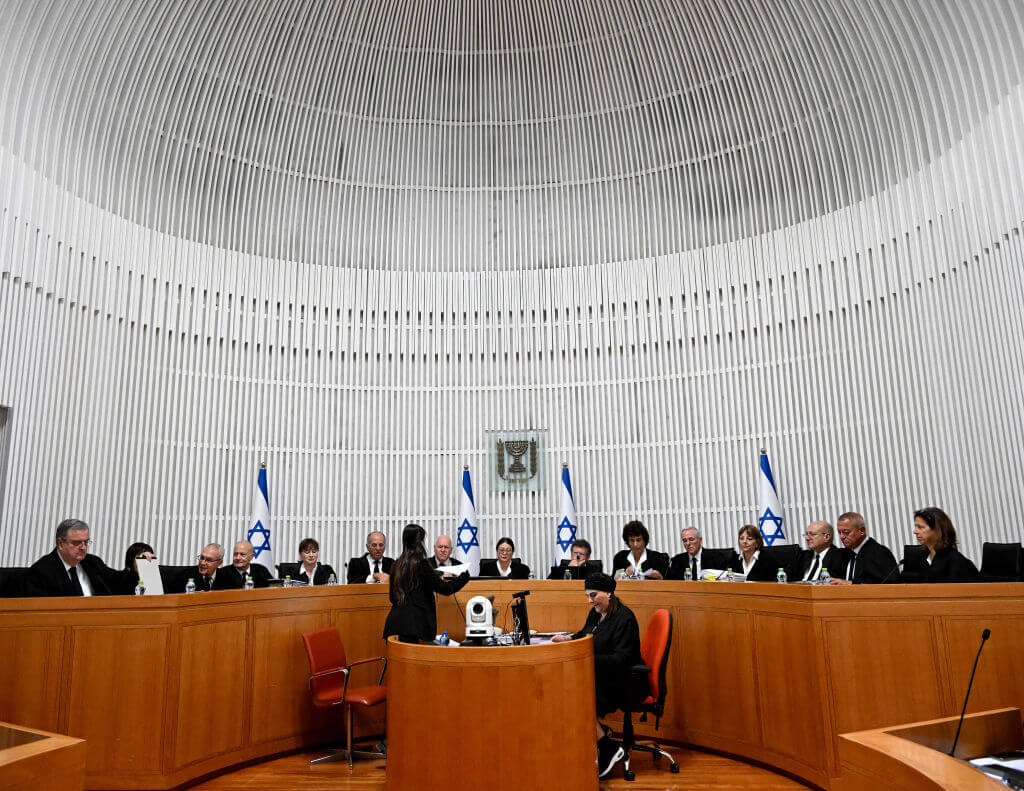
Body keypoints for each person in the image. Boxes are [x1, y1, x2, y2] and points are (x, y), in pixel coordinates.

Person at [552, 572, 647, 778]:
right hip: (601, 676)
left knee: (573, 693)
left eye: (593, 595)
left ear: (609, 593)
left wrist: (586, 657)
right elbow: (586, 635)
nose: (589, 600)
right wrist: (569, 639)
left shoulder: (625, 618)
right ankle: (601, 732)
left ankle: (608, 746)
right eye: (587, 595)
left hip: (624, 682)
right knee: (565, 686)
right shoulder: (596, 613)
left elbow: (622, 660)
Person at [383, 524, 471, 643]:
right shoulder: (421, 565)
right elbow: (445, 589)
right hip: (414, 625)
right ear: (420, 542)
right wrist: (465, 576)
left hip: (395, 623)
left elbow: (392, 598)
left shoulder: (396, 564)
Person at [27, 519, 129, 597]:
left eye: (86, 542)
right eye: (77, 543)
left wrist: (135, 563)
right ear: (60, 543)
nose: (83, 547)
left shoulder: (93, 563)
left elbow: (119, 581)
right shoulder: (42, 571)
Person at [903, 507, 981, 583]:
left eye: (920, 527)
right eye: (915, 526)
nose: (915, 531)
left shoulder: (955, 561)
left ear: (937, 530)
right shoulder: (921, 559)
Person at [829, 512, 900, 584]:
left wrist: (851, 584)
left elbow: (888, 583)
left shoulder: (879, 553)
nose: (842, 536)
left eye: (846, 532)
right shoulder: (842, 555)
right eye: (839, 532)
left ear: (862, 531)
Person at [667, 527, 735, 580]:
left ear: (700, 540)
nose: (688, 543)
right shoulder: (677, 560)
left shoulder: (716, 558)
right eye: (685, 541)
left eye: (691, 539)